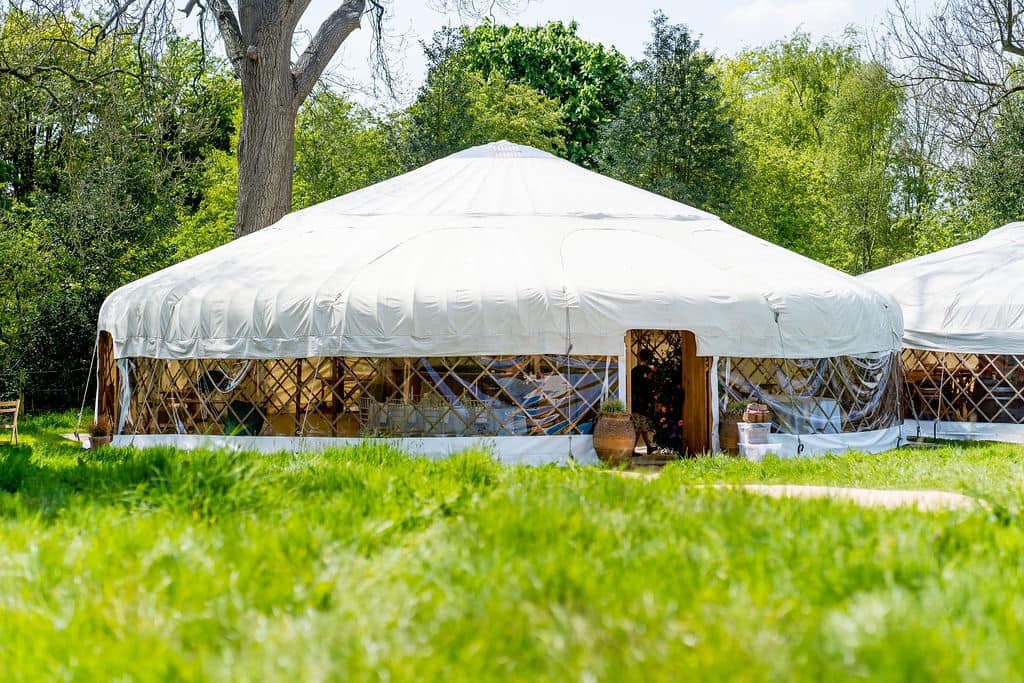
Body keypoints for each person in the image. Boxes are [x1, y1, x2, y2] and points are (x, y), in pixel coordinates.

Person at [630, 349, 658, 453]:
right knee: (639, 426)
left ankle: (648, 447)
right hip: (644, 402)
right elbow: (650, 387)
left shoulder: (634, 371)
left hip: (635, 401)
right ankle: (632, 449)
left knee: (642, 426)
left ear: (639, 357)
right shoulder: (649, 371)